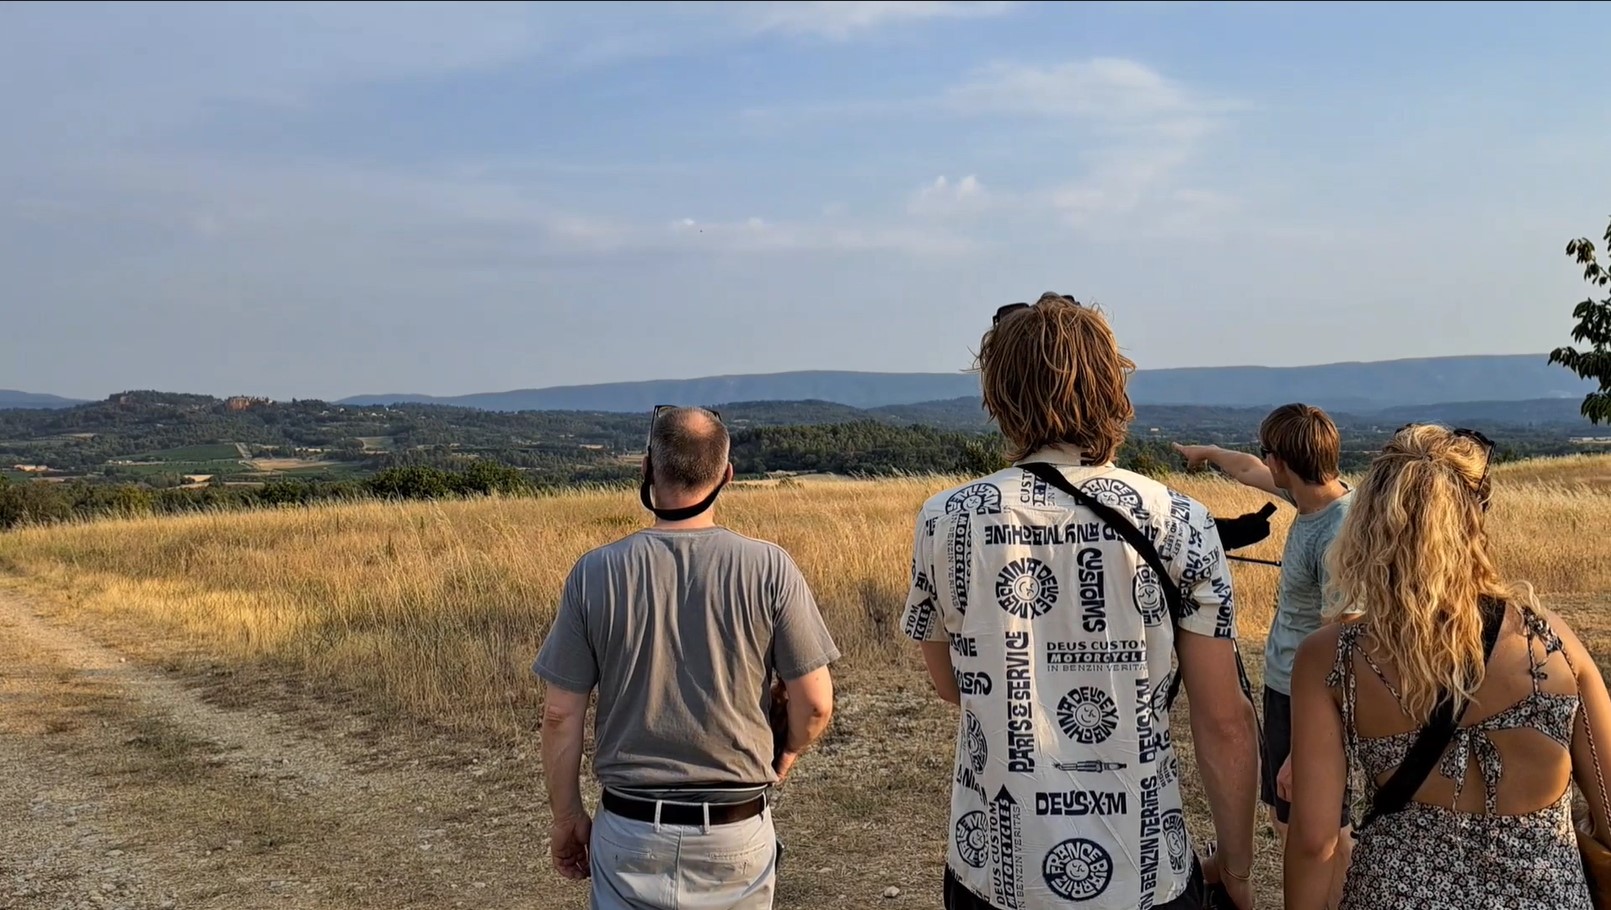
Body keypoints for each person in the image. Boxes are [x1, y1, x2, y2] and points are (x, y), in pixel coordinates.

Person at [901, 293, 1261, 910]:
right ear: (1114, 388)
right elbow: (1224, 721)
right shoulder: (1182, 522)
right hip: (1143, 867)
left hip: (994, 863)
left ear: (1000, 396)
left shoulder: (946, 519)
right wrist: (1237, 865)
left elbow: (951, 685)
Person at [1284, 423, 1611, 909]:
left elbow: (1315, 842)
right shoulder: (1552, 644)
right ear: (1477, 521)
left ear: (1371, 525)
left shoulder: (1334, 658)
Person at [534, 405, 841, 910]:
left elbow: (559, 714)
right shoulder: (770, 568)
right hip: (735, 831)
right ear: (726, 475)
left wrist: (567, 817)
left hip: (629, 831)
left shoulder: (594, 573)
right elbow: (816, 705)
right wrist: (782, 757)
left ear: (648, 470)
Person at [1172, 405, 1355, 894]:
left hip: (1307, 697)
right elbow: (1248, 471)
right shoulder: (1315, 497)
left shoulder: (1337, 533)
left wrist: (1302, 748)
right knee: (1307, 824)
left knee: (1308, 829)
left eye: (1266, 454)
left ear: (1283, 462)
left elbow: (1339, 642)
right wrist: (1207, 454)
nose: (1262, 463)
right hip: (1287, 688)